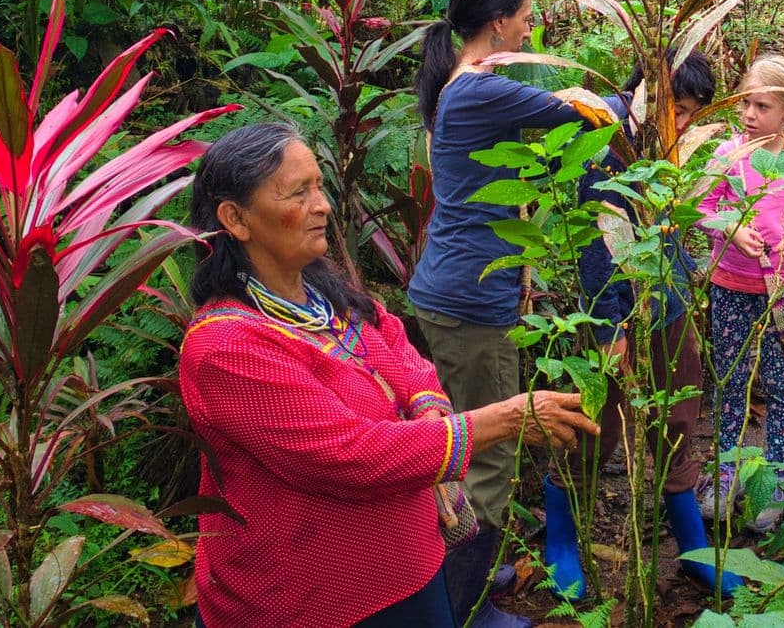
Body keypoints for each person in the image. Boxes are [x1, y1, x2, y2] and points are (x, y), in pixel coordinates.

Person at [178, 122, 599, 628]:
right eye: (298, 192)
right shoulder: (225, 349)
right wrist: (505, 419)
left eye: (319, 185)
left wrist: (430, 412)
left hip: (412, 565)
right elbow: (349, 455)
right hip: (313, 601)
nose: (323, 204)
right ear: (236, 219)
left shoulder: (323, 292)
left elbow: (404, 356)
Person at [407, 0, 601, 625]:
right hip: (468, 300)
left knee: (469, 444)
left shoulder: (465, 86)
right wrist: (627, 97)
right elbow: (583, 115)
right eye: (524, 15)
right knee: (487, 458)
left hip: (457, 288)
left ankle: (474, 570)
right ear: (497, 21)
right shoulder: (478, 91)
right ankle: (461, 607)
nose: (531, 26)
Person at [542, 51, 741, 598]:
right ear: (648, 98)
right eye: (677, 109)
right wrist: (609, 329)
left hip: (668, 308)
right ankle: (559, 539)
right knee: (594, 424)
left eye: (693, 114)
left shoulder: (672, 146)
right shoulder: (606, 142)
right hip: (614, 312)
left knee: (678, 419)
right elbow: (598, 246)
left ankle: (695, 552)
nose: (684, 124)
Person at [696, 55, 784, 529]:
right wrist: (731, 229)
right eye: (745, 104)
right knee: (731, 380)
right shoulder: (728, 154)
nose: (749, 115)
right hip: (732, 286)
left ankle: (775, 476)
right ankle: (726, 469)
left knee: (778, 383)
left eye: (761, 106)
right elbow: (703, 206)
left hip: (782, 290)